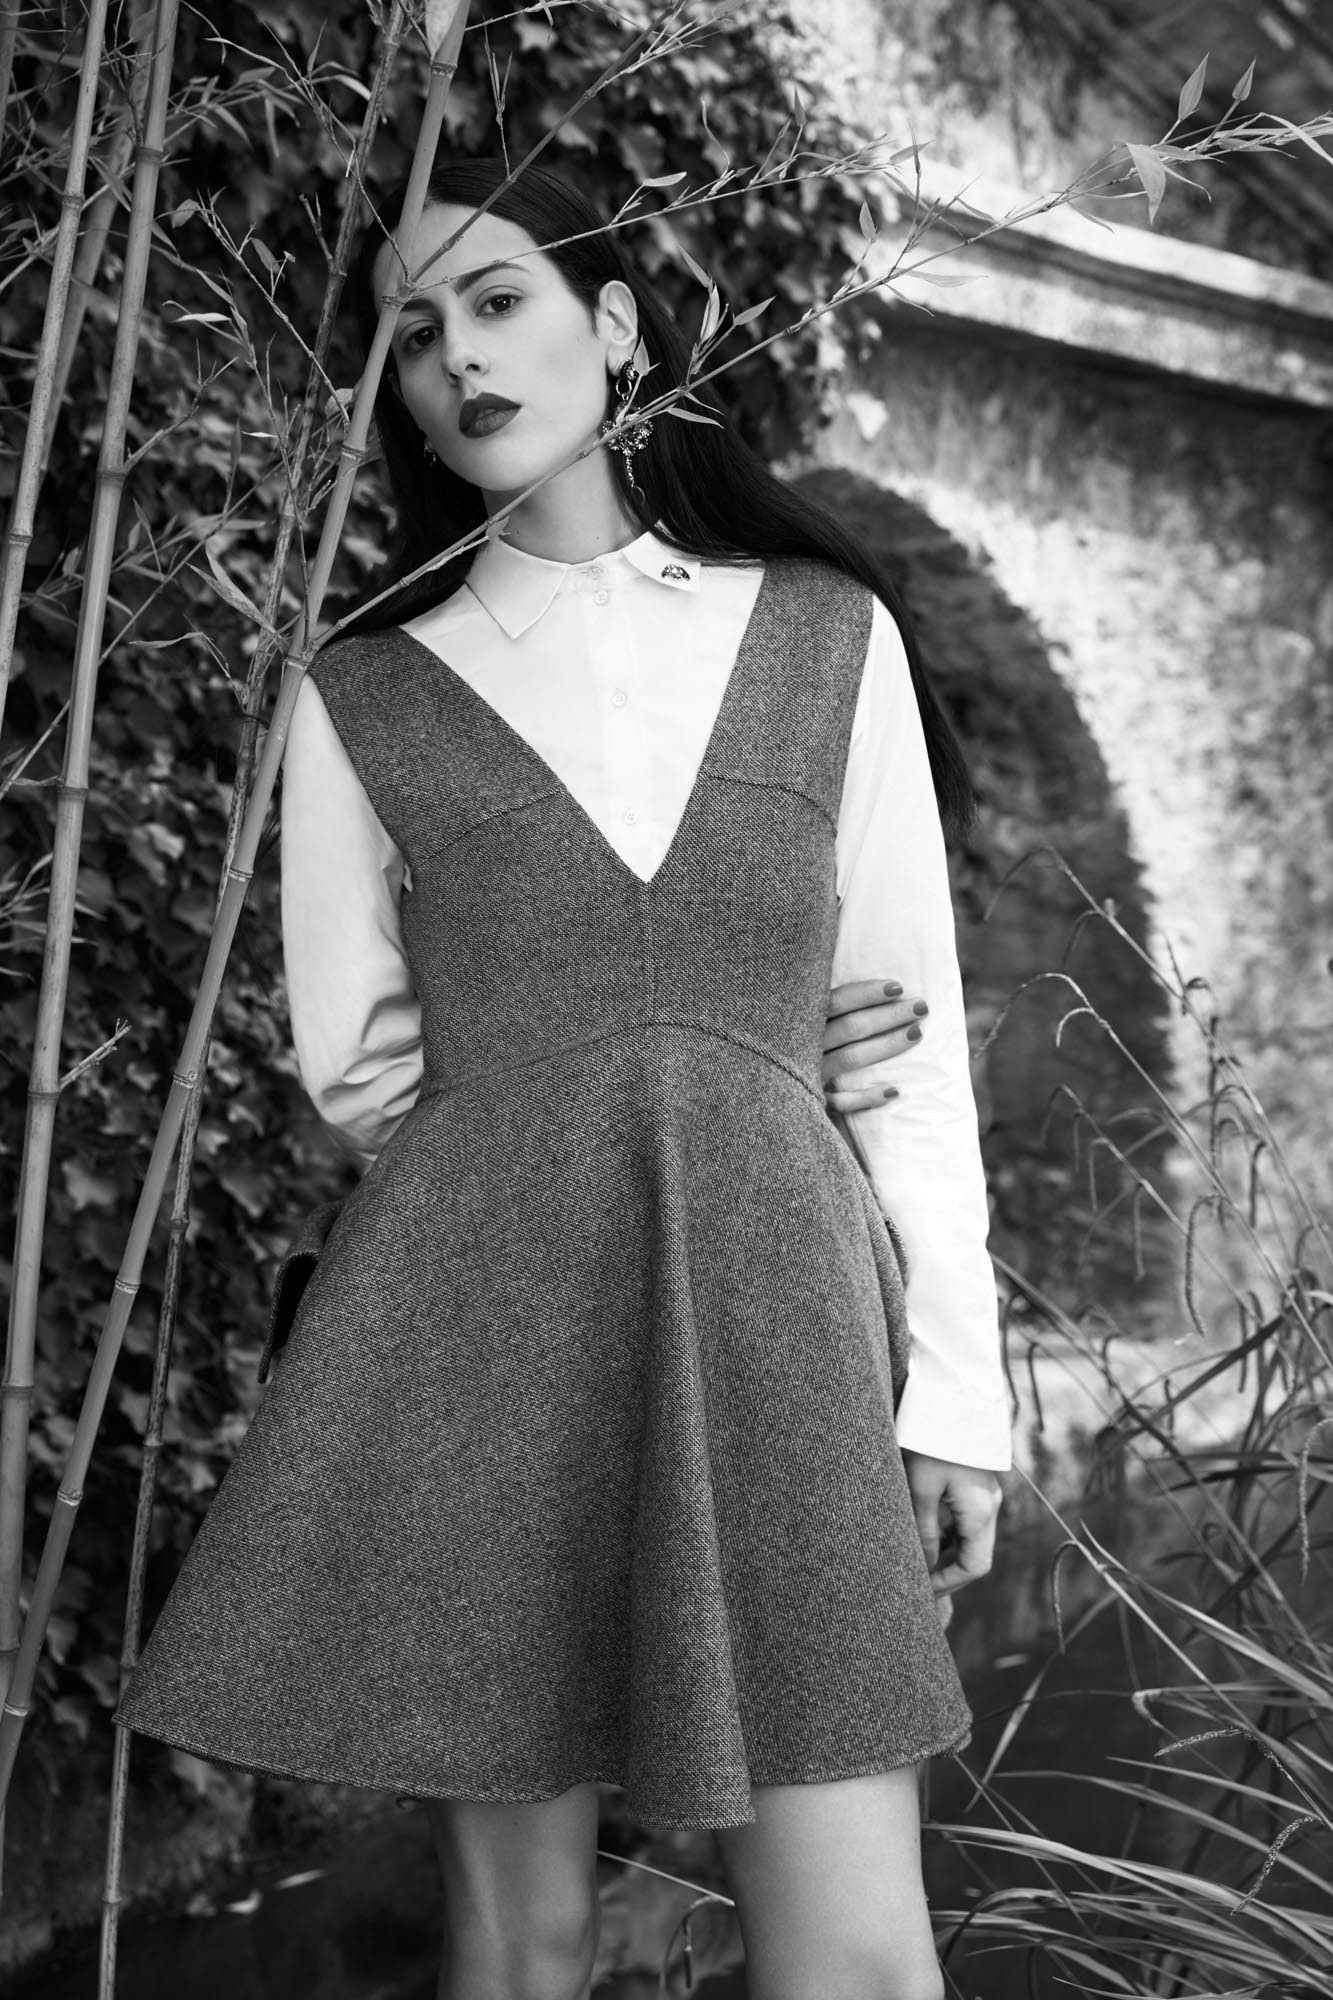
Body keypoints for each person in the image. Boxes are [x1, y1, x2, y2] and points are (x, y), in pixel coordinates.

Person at [118, 158, 1011, 2000]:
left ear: (611, 325)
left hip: (779, 1315)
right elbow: (360, 1066)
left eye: (497, 300)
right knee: (517, 1955)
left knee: (857, 1961)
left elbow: (908, 1054)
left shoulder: (824, 633)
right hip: (483, 1329)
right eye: (413, 335)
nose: (457, 358)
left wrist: (955, 1399)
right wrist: (613, 1061)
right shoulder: (362, 693)